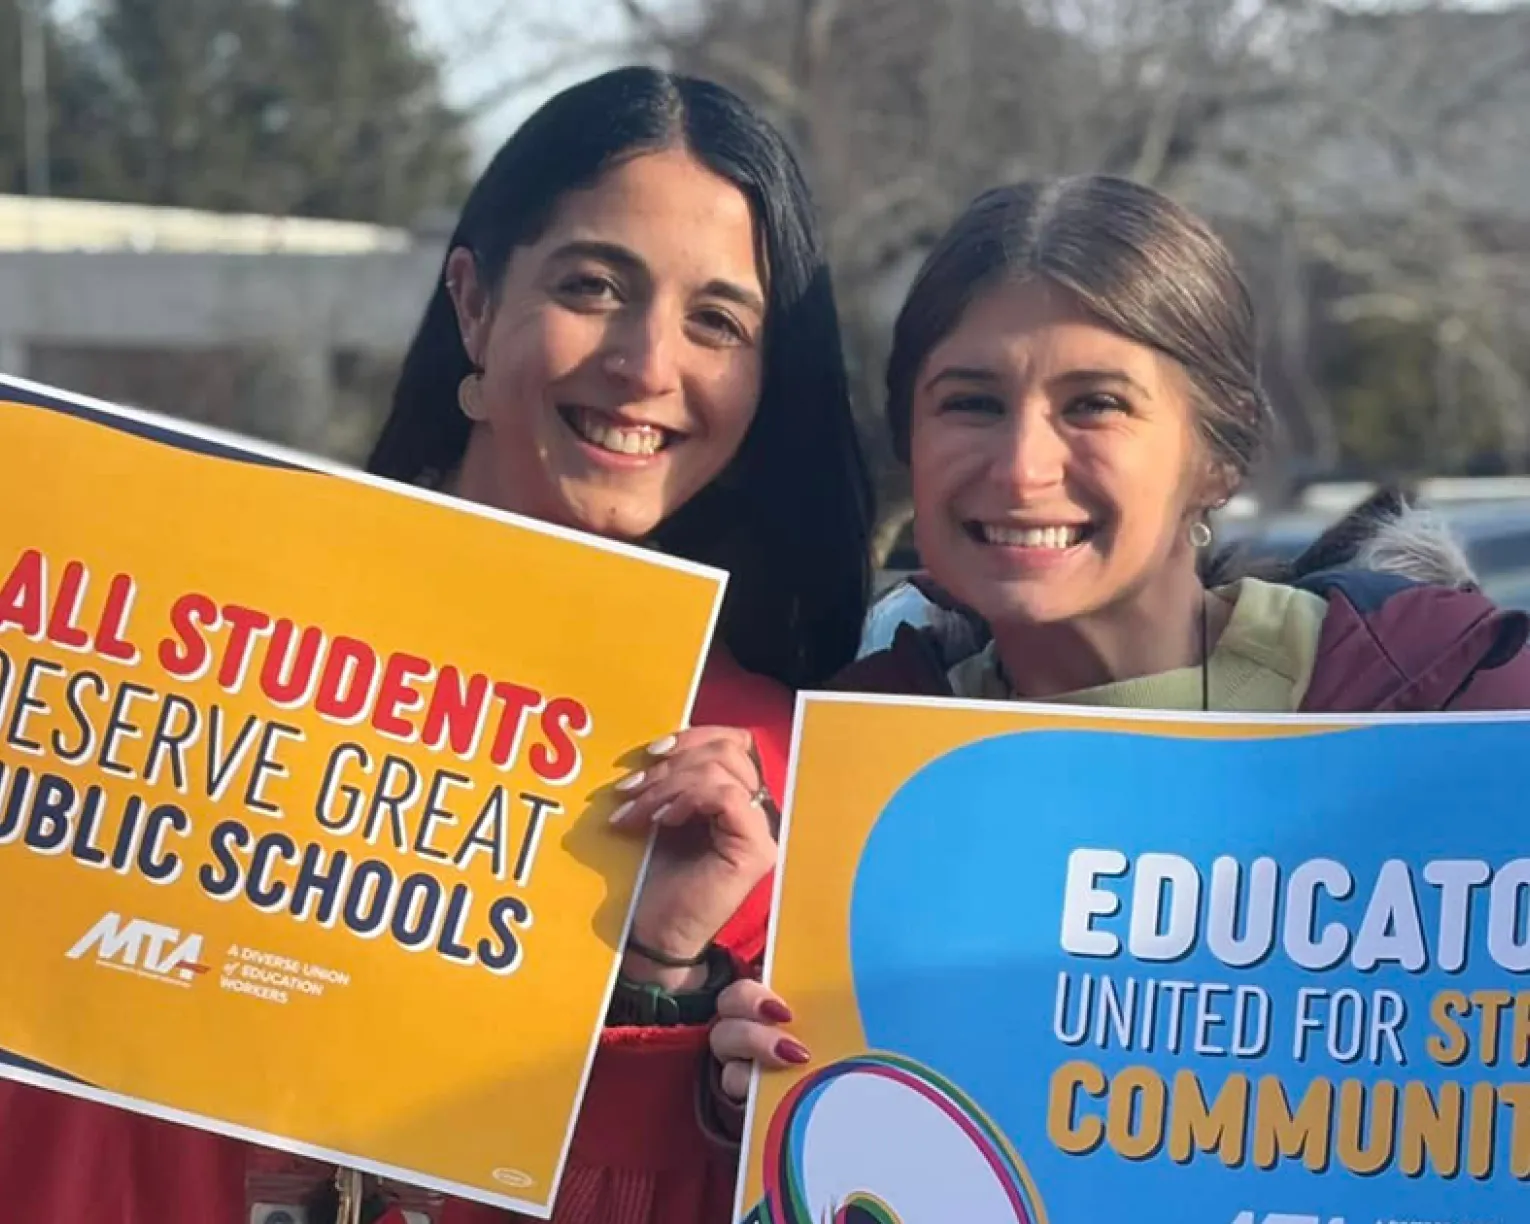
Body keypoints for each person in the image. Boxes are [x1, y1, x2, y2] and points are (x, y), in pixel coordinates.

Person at [0, 65, 872, 1224]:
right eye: (594, 286)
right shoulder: (178, 622)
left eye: (717, 321)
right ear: (472, 301)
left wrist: (655, 980)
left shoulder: (773, 773)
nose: (648, 364)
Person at [686, 173, 1530, 1111]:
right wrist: (749, 1105)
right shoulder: (832, 779)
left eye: (1095, 404)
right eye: (971, 403)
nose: (1022, 466)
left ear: (1219, 454)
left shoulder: (1446, 705)